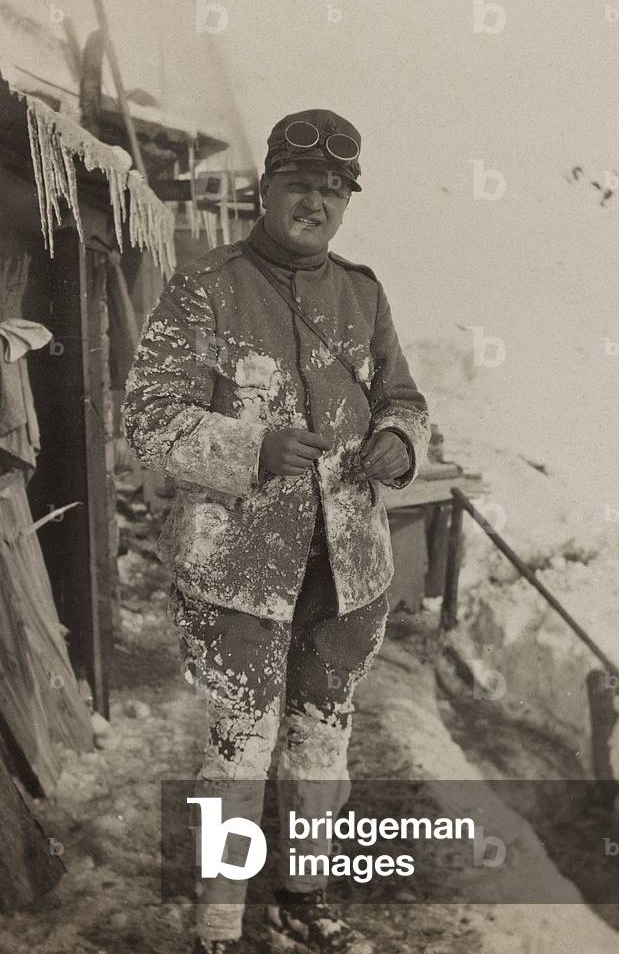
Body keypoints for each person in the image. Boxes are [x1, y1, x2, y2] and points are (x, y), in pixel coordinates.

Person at [123, 109, 430, 954]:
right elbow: (147, 421)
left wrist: (399, 442)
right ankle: (219, 921)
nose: (317, 203)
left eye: (333, 191)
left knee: (322, 742)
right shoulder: (204, 287)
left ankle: (302, 895)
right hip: (238, 568)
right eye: (301, 185)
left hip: (347, 570)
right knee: (238, 748)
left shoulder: (363, 294)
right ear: (268, 189)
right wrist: (251, 448)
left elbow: (404, 398)